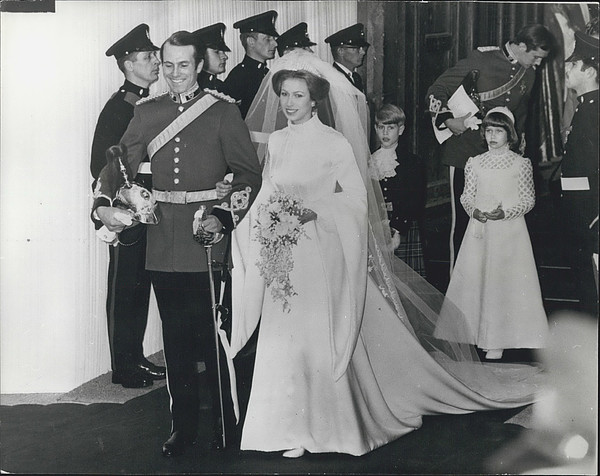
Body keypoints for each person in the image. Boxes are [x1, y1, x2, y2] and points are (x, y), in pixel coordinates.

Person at [227, 69, 545, 458]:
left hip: (323, 248)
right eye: (286, 95)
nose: (290, 103)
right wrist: (260, 221)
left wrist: (314, 212)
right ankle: (284, 426)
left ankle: (323, 426)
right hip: (285, 252)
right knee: (285, 336)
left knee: (317, 334)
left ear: (314, 101)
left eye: (298, 95)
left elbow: (355, 199)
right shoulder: (276, 141)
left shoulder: (334, 143)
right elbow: (269, 190)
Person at [92, 30, 262, 457]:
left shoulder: (222, 112)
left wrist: (223, 217)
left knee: (211, 338)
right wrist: (101, 204)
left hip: (207, 238)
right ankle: (182, 427)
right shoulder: (149, 111)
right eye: (167, 65)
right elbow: (117, 164)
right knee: (176, 342)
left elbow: (248, 174)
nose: (174, 74)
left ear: (199, 65)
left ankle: (227, 424)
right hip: (162, 240)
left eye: (183, 65)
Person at [426, 24, 554, 275]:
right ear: (520, 46)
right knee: (463, 224)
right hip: (465, 153)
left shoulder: (528, 73)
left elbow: (520, 116)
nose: (538, 64)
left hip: (500, 161)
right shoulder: (481, 58)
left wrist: (517, 151)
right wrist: (448, 119)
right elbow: (437, 90)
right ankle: (457, 287)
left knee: (496, 227)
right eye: (535, 56)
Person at [435, 107, 549, 360]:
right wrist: (474, 211)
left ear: (510, 134)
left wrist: (506, 213)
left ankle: (499, 339)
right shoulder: (475, 163)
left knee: (503, 284)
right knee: (478, 281)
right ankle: (476, 335)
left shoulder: (520, 164)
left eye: (498, 131)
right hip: (481, 232)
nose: (492, 136)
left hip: (510, 234)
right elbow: (466, 195)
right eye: (488, 131)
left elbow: (528, 200)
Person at [90, 23, 166, 389]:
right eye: (148, 57)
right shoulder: (119, 108)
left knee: (140, 286)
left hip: (148, 212)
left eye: (154, 56)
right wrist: (127, 200)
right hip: (129, 213)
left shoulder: (148, 103)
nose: (155, 62)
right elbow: (100, 165)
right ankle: (123, 366)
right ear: (127, 64)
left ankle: (135, 358)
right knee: (125, 288)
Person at [560, 29, 599, 317]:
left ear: (589, 69)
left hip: (592, 215)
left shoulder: (594, 112)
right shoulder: (585, 109)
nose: (566, 69)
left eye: (572, 64)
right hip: (580, 213)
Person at [370, 104, 427, 277]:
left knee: (406, 280)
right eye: (381, 127)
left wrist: (397, 228)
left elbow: (415, 200)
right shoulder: (370, 161)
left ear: (401, 130)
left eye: (391, 128)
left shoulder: (412, 162)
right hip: (377, 227)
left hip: (403, 226)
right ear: (375, 128)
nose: (385, 133)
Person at [223, 10, 279, 118]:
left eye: (274, 39)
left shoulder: (267, 73)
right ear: (251, 42)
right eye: (267, 39)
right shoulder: (239, 76)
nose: (275, 43)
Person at [325, 23, 369, 93]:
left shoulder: (355, 77)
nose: (363, 52)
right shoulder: (333, 79)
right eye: (357, 48)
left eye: (363, 48)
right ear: (341, 51)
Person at [193, 22, 230, 93]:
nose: (225, 57)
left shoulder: (220, 86)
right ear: (201, 55)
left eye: (223, 52)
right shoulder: (196, 89)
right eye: (217, 52)